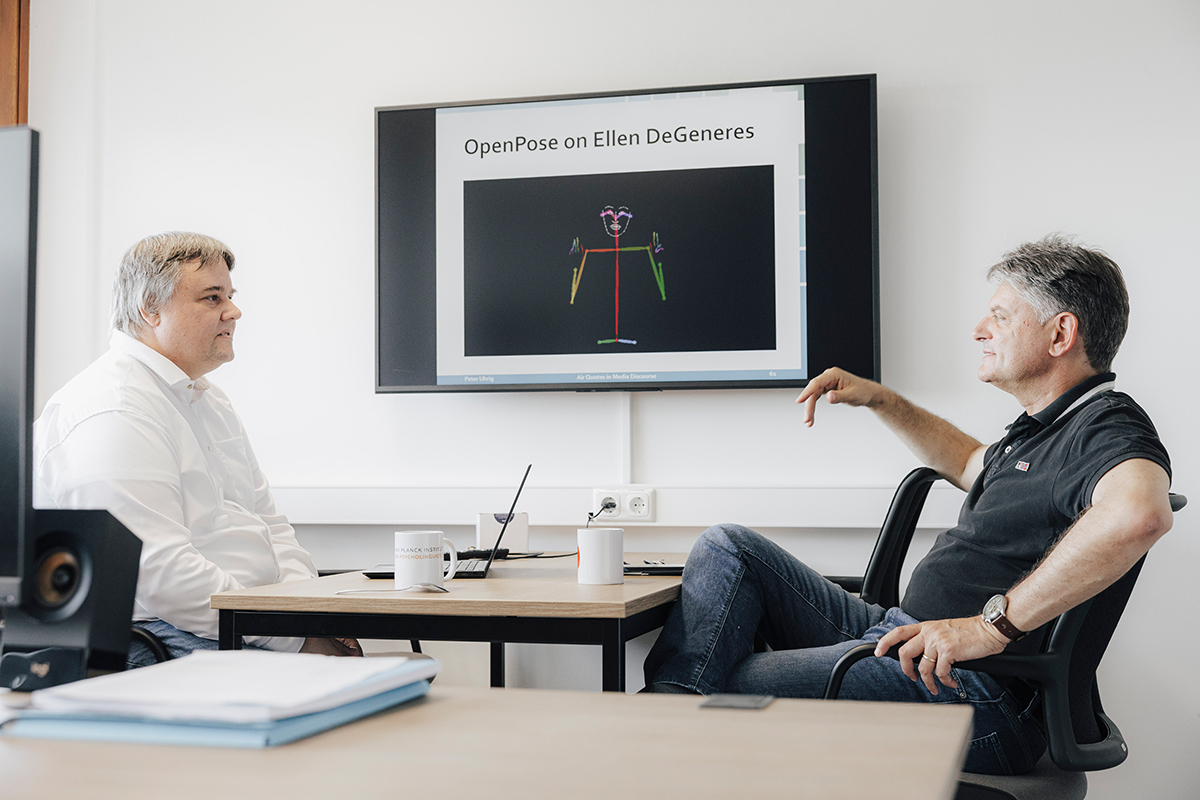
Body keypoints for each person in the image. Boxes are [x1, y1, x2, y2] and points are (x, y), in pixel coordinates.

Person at [642, 234, 1173, 775]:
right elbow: (968, 460)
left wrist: (990, 629)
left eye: (1001, 317)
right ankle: (666, 726)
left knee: (729, 686)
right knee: (727, 545)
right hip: (904, 635)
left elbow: (1139, 514)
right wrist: (880, 398)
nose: (979, 330)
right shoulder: (1039, 430)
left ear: (1060, 333)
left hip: (973, 692)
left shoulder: (1106, 423)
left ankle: (651, 745)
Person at [33, 232, 361, 664]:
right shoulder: (114, 408)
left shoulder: (207, 400)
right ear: (150, 309)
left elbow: (273, 529)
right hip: (158, 635)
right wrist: (291, 637)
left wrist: (309, 618)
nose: (234, 311)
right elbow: (161, 575)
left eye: (230, 295)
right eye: (212, 298)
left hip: (242, 623)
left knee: (388, 689)